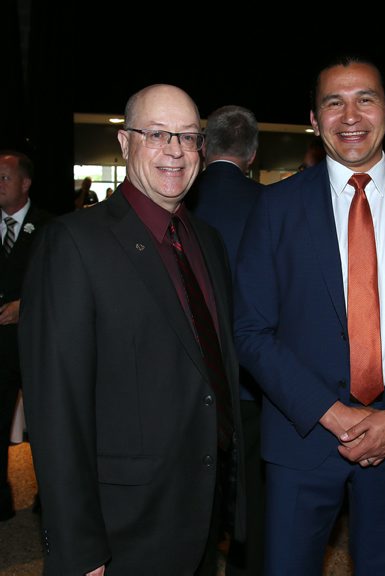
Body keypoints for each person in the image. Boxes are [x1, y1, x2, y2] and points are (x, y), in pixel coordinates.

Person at [233, 54, 385, 575]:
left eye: (365, 100)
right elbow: (251, 330)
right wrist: (333, 413)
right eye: (334, 102)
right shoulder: (275, 209)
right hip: (303, 439)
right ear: (314, 118)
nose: (350, 116)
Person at [19, 84, 245, 576]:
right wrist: (80, 549)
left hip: (202, 514)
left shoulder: (206, 241)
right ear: (124, 144)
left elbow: (213, 374)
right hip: (124, 528)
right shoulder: (72, 245)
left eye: (188, 137)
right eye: (156, 134)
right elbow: (56, 410)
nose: (175, 151)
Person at [188, 105, 265, 576]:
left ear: (202, 147)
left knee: (195, 492)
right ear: (252, 154)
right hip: (253, 378)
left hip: (189, 376)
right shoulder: (272, 204)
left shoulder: (177, 202)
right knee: (253, 492)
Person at [0, 150, 51, 521]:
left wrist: (25, 305)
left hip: (37, 346)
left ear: (25, 183)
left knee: (47, 428)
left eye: (4, 177)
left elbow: (60, 286)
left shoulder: (51, 228)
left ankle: (49, 500)